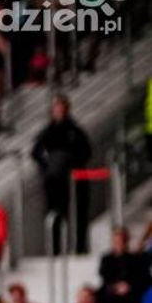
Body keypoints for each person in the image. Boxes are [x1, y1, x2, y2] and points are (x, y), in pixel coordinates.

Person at [31, 95, 92, 255]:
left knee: (78, 214)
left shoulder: (75, 131)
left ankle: (79, 247)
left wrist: (73, 164)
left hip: (74, 180)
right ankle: (55, 250)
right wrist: (48, 166)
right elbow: (35, 152)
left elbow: (86, 151)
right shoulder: (47, 132)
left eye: (62, 109)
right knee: (55, 215)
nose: (59, 112)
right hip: (55, 181)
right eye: (56, 109)